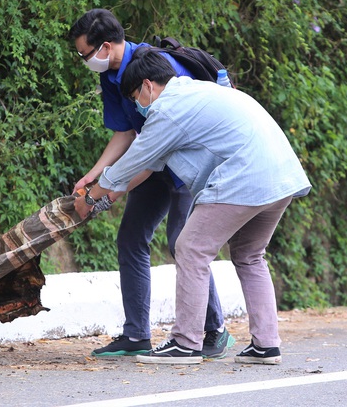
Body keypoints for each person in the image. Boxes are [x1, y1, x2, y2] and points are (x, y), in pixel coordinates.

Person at [74, 48, 311, 364]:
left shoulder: (167, 111)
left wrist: (90, 198)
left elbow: (129, 163)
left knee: (190, 248)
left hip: (244, 176)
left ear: (148, 85)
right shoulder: (197, 93)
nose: (136, 106)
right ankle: (266, 344)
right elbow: (146, 165)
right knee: (249, 255)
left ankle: (185, 343)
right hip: (281, 174)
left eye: (135, 98)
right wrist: (106, 198)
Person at [69, 9, 233, 358]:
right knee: (131, 236)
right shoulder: (109, 77)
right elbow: (127, 133)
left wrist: (106, 192)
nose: (84, 61)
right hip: (152, 163)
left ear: (107, 46)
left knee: (182, 241)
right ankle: (136, 335)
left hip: (190, 163)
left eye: (86, 54)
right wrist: (94, 175)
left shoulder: (157, 66)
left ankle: (214, 329)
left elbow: (181, 129)